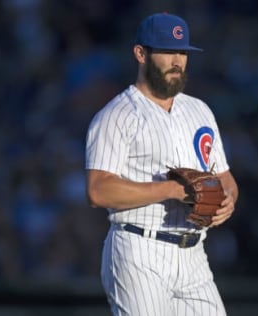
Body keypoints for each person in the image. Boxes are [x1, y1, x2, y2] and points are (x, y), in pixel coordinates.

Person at [85, 12, 238, 316]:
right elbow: (98, 191)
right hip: (139, 249)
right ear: (141, 54)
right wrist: (170, 189)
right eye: (167, 52)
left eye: (182, 52)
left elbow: (225, 178)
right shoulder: (116, 115)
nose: (177, 60)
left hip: (194, 255)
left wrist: (228, 200)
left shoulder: (200, 111)